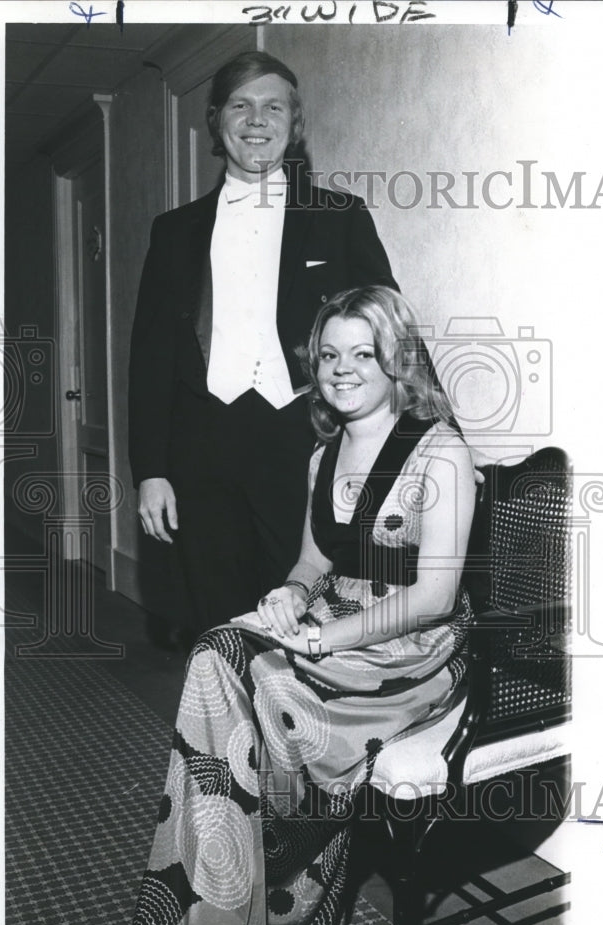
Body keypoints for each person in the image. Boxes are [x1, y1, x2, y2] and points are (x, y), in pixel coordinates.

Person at [123, 286, 477, 925]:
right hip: (338, 626)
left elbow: (434, 597)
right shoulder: (323, 455)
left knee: (252, 681)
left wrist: (318, 640)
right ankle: (227, 905)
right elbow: (316, 560)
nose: (342, 369)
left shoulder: (442, 453)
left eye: (363, 353)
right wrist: (290, 592)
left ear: (397, 359)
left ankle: (273, 900)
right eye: (328, 354)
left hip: (411, 655)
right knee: (218, 651)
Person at [128, 51, 397, 634]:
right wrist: (150, 470)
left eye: (273, 106)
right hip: (199, 451)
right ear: (216, 121)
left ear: (294, 124)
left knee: (306, 615)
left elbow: (389, 330)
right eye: (241, 105)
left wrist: (431, 433)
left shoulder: (339, 216)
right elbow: (149, 356)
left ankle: (296, 726)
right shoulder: (173, 233)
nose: (257, 119)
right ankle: (229, 726)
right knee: (219, 622)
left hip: (303, 439)